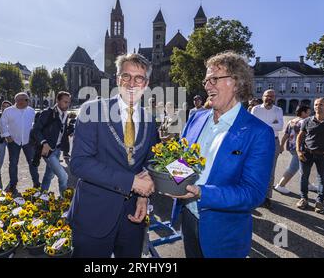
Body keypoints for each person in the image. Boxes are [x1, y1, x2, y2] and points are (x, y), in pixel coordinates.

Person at [170, 51, 274, 258]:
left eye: (214, 79)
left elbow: (252, 194)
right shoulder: (196, 118)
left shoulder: (259, 132)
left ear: (237, 82)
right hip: (187, 218)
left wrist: (201, 193)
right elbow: (181, 159)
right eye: (206, 80)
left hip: (223, 232)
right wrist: (168, 178)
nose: (207, 86)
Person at [68, 53, 158, 258]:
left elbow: (151, 161)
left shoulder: (149, 119)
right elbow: (80, 163)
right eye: (126, 76)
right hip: (94, 216)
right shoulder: (92, 110)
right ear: (117, 79)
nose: (132, 83)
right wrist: (132, 182)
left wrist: (144, 196)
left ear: (146, 83)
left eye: (139, 78)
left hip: (133, 216)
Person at [32, 91, 71, 195]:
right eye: (65, 102)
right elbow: (35, 130)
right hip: (47, 150)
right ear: (57, 101)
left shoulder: (65, 114)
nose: (67, 105)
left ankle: (42, 195)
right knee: (63, 176)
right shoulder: (47, 113)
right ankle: (64, 200)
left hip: (57, 149)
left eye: (68, 102)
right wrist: (44, 143)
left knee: (49, 175)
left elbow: (61, 131)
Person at [0, 92, 40, 193]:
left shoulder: (31, 111)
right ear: (18, 101)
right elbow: (2, 124)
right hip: (13, 140)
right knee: (13, 163)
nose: (27, 101)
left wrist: (34, 138)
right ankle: (13, 184)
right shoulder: (8, 111)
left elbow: (34, 125)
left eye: (27, 99)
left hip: (29, 141)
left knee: (33, 162)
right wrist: (7, 136)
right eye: (25, 99)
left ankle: (36, 183)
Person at [251, 89, 284, 209]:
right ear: (262, 96)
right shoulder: (256, 109)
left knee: (270, 170)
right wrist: (271, 124)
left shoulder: (278, 110)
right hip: (258, 142)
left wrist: (263, 124)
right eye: (267, 96)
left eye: (272, 96)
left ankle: (267, 197)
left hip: (273, 142)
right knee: (256, 168)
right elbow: (252, 125)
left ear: (274, 98)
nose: (269, 98)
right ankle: (255, 194)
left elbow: (280, 126)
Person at [274, 105, 317, 194]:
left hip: (291, 147)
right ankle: (280, 185)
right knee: (293, 167)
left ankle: (308, 184)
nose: (310, 114)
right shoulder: (305, 121)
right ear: (303, 112)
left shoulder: (292, 121)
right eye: (308, 112)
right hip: (301, 148)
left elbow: (286, 135)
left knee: (303, 167)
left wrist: (282, 146)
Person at [0, 101, 12, 171]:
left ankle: (11, 172)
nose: (5, 108)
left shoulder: (13, 115)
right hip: (1, 139)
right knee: (1, 156)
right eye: (3, 106)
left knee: (12, 157)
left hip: (11, 139)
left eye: (7, 106)